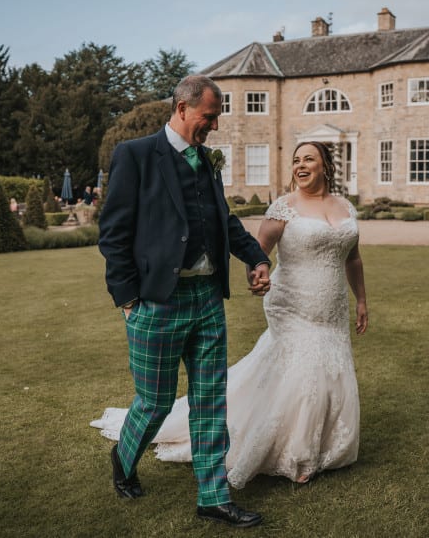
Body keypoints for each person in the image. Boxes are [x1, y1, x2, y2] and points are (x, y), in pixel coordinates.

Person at [92, 141, 369, 489]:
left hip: (332, 306)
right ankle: (296, 452)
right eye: (296, 160)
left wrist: (361, 300)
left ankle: (323, 445)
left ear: (326, 165)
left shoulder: (345, 207)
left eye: (308, 159)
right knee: (303, 371)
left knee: (331, 368)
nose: (300, 165)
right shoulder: (285, 207)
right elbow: (257, 250)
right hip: (292, 303)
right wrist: (258, 271)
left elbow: (352, 257)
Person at [96, 75, 271, 529]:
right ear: (181, 109)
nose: (213, 126)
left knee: (211, 401)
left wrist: (255, 256)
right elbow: (113, 234)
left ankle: (213, 496)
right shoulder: (134, 156)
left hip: (207, 298)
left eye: (216, 118)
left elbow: (223, 220)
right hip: (157, 302)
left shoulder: (207, 161)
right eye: (208, 117)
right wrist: (128, 299)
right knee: (154, 401)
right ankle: (125, 456)